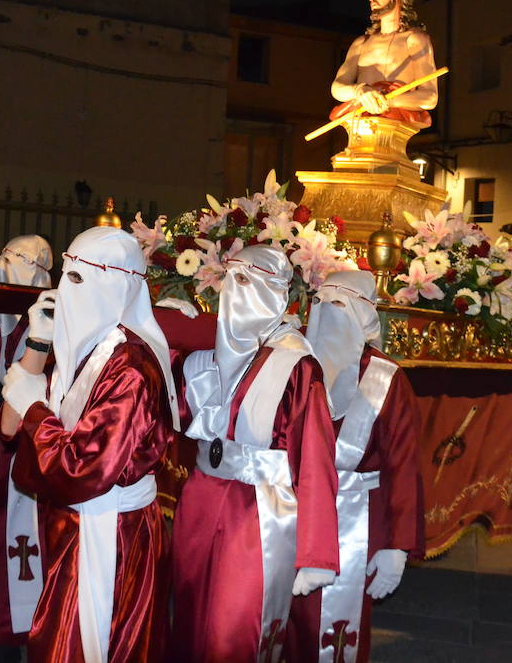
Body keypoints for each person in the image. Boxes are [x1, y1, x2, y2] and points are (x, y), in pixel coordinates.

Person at [0, 226, 178, 663]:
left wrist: (34, 408)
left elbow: (83, 468)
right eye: (64, 273)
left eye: (78, 278)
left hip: (112, 532)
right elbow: (7, 427)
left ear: (113, 285)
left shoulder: (130, 368)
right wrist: (39, 344)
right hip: (73, 524)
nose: (63, 288)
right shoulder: (82, 348)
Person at [171, 244, 340, 662]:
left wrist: (316, 553)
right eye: (229, 279)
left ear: (276, 294)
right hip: (203, 497)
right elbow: (173, 411)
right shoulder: (210, 356)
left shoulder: (295, 366)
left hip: (258, 512)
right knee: (192, 618)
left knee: (236, 629)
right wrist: (165, 326)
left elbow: (315, 460)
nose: (234, 291)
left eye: (246, 281)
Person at [286, 270, 423, 663]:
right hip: (293, 509)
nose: (328, 315)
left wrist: (397, 544)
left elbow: (403, 465)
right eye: (320, 303)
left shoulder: (386, 380)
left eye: (340, 305)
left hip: (356, 517)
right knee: (288, 619)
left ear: (365, 315)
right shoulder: (294, 364)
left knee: (333, 630)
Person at [0, 234, 54, 663]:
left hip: (29, 439)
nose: (8, 264)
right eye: (7, 255)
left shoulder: (43, 319)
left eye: (23, 259)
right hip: (1, 439)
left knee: (22, 538)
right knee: (1, 536)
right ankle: (6, 628)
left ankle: (17, 635)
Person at [329, 0, 439, 128]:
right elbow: (337, 88)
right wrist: (360, 91)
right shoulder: (361, 43)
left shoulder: (414, 40)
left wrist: (387, 100)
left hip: (394, 126)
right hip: (360, 125)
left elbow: (430, 97)